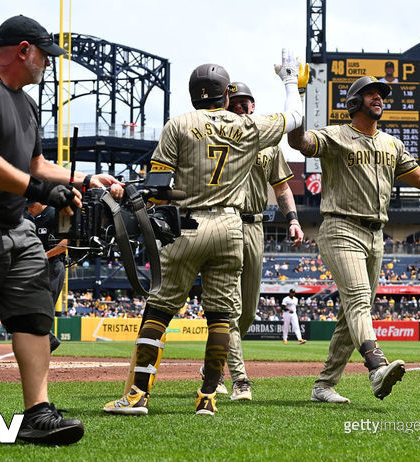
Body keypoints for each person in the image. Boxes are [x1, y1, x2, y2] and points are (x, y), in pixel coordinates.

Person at [0, 15, 120, 445]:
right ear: (24, 50)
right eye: (46, 56)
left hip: (16, 225)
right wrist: (41, 191)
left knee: (33, 313)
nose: (49, 64)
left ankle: (38, 412)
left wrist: (80, 180)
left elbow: (34, 165)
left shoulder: (27, 104)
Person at [104, 49, 304, 416]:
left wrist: (128, 192)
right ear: (226, 94)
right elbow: (294, 116)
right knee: (220, 316)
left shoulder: (178, 124)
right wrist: (290, 79)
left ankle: (137, 396)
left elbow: (158, 186)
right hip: (231, 226)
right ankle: (207, 398)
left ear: (193, 94)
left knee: (160, 308)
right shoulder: (247, 126)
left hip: (188, 223)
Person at [287, 75, 420, 404]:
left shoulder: (391, 143)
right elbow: (298, 142)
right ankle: (376, 366)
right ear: (355, 101)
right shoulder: (336, 135)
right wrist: (297, 91)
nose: (379, 98)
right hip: (341, 226)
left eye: (381, 94)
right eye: (371, 93)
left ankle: (324, 385)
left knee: (353, 312)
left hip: (376, 234)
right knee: (359, 299)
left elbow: (418, 177)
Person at [220, 81, 305, 402]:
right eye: (237, 102)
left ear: (254, 106)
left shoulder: (269, 145)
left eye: (247, 102)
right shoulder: (217, 136)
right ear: (227, 105)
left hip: (255, 226)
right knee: (229, 305)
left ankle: (214, 360)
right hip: (224, 221)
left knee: (249, 310)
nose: (242, 106)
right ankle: (239, 378)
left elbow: (282, 188)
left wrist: (293, 219)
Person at [25, 201, 68, 352]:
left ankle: (44, 343)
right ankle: (47, 339)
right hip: (35, 266)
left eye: (31, 206)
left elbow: (66, 241)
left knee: (45, 306)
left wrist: (46, 255)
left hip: (53, 266)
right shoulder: (29, 217)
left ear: (39, 203)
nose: (29, 209)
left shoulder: (53, 213)